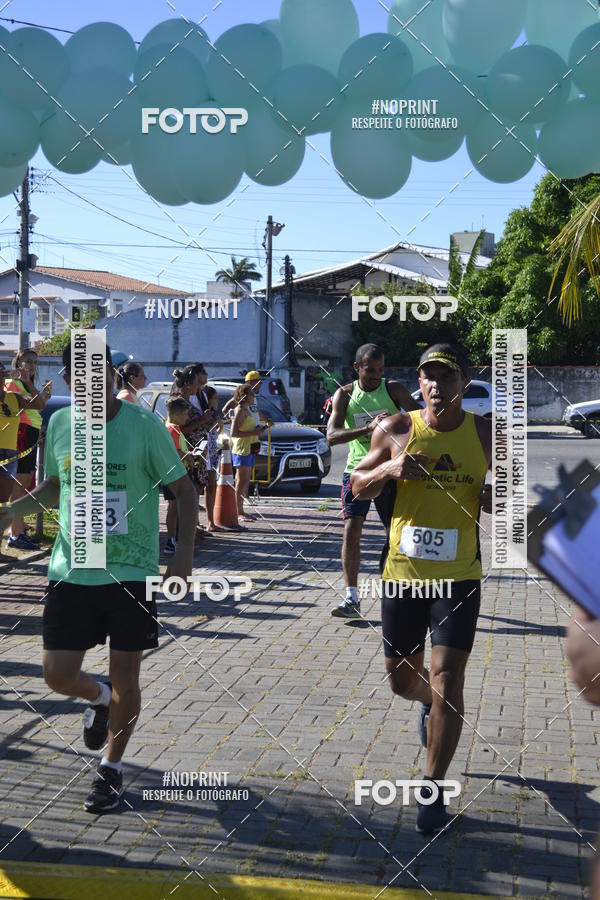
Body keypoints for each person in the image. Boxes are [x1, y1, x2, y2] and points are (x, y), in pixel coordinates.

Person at [0, 340, 197, 814]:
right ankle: (99, 698)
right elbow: (54, 484)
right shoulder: (61, 423)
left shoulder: (144, 426)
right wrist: (9, 513)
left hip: (130, 570)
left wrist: (184, 553)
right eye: (79, 376)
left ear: (110, 374)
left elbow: (184, 491)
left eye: (98, 373)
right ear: (69, 380)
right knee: (56, 674)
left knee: (126, 673)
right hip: (72, 567)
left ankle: (111, 768)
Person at [350, 343, 492, 834]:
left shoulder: (485, 433)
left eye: (446, 378)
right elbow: (355, 483)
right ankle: (428, 704)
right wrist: (390, 469)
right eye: (428, 376)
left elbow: (515, 500)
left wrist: (499, 499)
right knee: (401, 681)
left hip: (458, 576)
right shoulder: (396, 428)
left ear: (464, 386)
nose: (435, 385)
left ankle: (432, 792)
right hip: (403, 576)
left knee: (449, 677)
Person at [327, 343, 420, 619]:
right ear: (357, 368)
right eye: (370, 371)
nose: (376, 376)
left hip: (390, 471)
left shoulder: (394, 390)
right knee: (351, 530)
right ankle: (351, 598)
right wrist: (368, 428)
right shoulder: (344, 394)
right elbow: (331, 436)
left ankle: (403, 590)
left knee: (396, 533)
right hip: (357, 472)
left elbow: (421, 422)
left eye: (380, 370)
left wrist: (395, 425)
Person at [5, 350, 52, 549]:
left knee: (24, 489)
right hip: (21, 433)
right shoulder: (13, 384)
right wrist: (32, 387)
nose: (32, 366)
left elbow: (38, 407)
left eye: (35, 362)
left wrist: (45, 395)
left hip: (31, 433)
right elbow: (23, 406)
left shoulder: (27, 384)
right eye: (27, 362)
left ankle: (19, 530)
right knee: (18, 489)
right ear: (18, 363)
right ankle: (15, 535)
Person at [0, 360, 48, 511]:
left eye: (2, 374)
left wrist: (27, 383)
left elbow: (39, 404)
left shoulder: (13, 397)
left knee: (3, 503)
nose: (1, 377)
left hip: (9, 455)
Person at [230, 383, 269, 522]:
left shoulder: (247, 409)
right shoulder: (240, 410)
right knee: (241, 481)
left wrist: (257, 429)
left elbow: (247, 427)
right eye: (251, 394)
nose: (254, 396)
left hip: (249, 447)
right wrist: (254, 431)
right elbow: (233, 433)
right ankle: (238, 512)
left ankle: (241, 510)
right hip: (242, 449)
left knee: (245, 480)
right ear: (245, 397)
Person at [163, 396, 192, 557]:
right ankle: (170, 539)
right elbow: (173, 452)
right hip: (173, 473)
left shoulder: (172, 427)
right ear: (176, 414)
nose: (187, 418)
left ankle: (172, 538)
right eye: (185, 415)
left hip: (175, 472)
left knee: (174, 508)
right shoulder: (173, 428)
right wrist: (187, 456)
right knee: (173, 508)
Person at [202, 386, 223, 532]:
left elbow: (217, 429)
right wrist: (216, 423)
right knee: (208, 486)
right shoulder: (205, 414)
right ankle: (209, 521)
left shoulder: (215, 413)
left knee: (212, 485)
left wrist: (219, 425)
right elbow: (208, 427)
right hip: (207, 450)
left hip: (213, 450)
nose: (217, 401)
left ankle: (211, 521)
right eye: (215, 398)